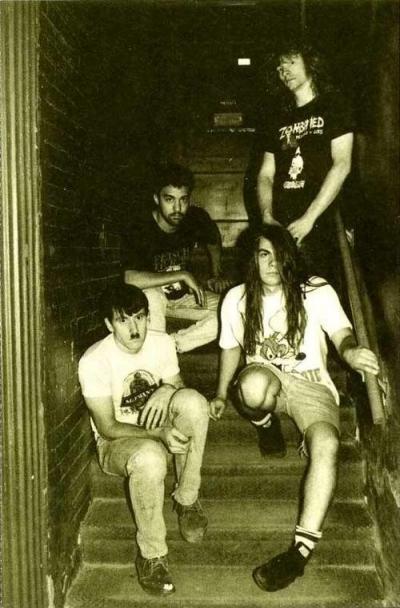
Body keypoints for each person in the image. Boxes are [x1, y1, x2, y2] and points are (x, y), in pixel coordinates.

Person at [209, 225, 379, 592]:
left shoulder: (315, 290)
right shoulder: (237, 298)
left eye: (278, 254)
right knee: (251, 388)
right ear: (252, 260)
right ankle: (265, 422)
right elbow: (230, 347)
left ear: (291, 257)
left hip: (312, 384)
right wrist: (221, 393)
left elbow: (341, 332)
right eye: (263, 254)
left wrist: (350, 352)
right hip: (266, 375)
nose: (272, 263)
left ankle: (300, 552)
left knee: (327, 444)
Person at [78, 282, 209, 596]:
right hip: (117, 444)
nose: (134, 328)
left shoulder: (161, 343)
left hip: (158, 429)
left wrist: (167, 388)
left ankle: (187, 498)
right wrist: (158, 433)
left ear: (148, 317)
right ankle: (152, 556)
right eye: (123, 320)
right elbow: (107, 427)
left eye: (139, 317)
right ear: (109, 324)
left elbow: (180, 390)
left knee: (195, 403)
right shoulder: (94, 360)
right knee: (150, 456)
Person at [257, 41, 354, 283]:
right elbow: (266, 174)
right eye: (279, 67)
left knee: (317, 290)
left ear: (310, 62)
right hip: (283, 221)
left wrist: (310, 218)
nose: (284, 71)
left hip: (321, 219)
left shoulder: (333, 106)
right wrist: (267, 216)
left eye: (291, 62)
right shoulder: (277, 117)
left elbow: (342, 164)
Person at [122, 162, 231, 353]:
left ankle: (170, 346)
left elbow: (213, 238)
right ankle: (155, 355)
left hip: (184, 298)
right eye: (169, 199)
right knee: (152, 295)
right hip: (151, 300)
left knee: (234, 309)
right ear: (156, 198)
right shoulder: (141, 226)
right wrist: (182, 274)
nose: (177, 208)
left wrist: (216, 274)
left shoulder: (195, 218)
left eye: (183, 200)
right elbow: (130, 278)